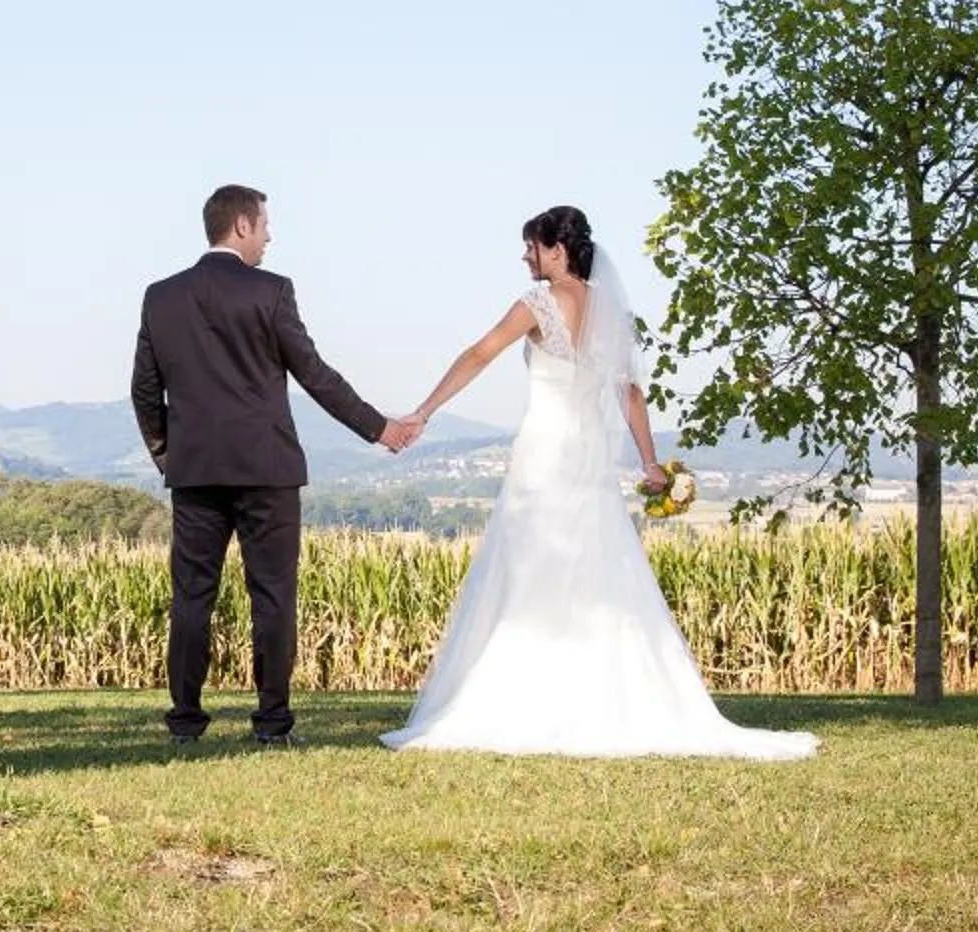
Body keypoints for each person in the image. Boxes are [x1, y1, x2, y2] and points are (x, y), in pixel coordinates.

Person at [380, 205, 817, 759]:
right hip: (588, 463)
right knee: (595, 570)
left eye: (531, 247)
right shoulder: (610, 308)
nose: (525, 256)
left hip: (544, 457)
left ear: (557, 251)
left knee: (529, 572)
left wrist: (423, 411)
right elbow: (630, 392)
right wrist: (650, 463)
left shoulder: (538, 303)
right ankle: (597, 699)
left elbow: (479, 353)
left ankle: (527, 702)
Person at [131, 184, 417, 746]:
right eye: (264, 225)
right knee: (273, 595)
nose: (269, 236)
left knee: (191, 596)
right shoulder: (271, 291)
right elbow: (314, 373)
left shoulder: (159, 297)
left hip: (194, 473)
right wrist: (379, 427)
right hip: (267, 469)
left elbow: (144, 389)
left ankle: (185, 722)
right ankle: (271, 723)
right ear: (241, 226)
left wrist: (168, 454)